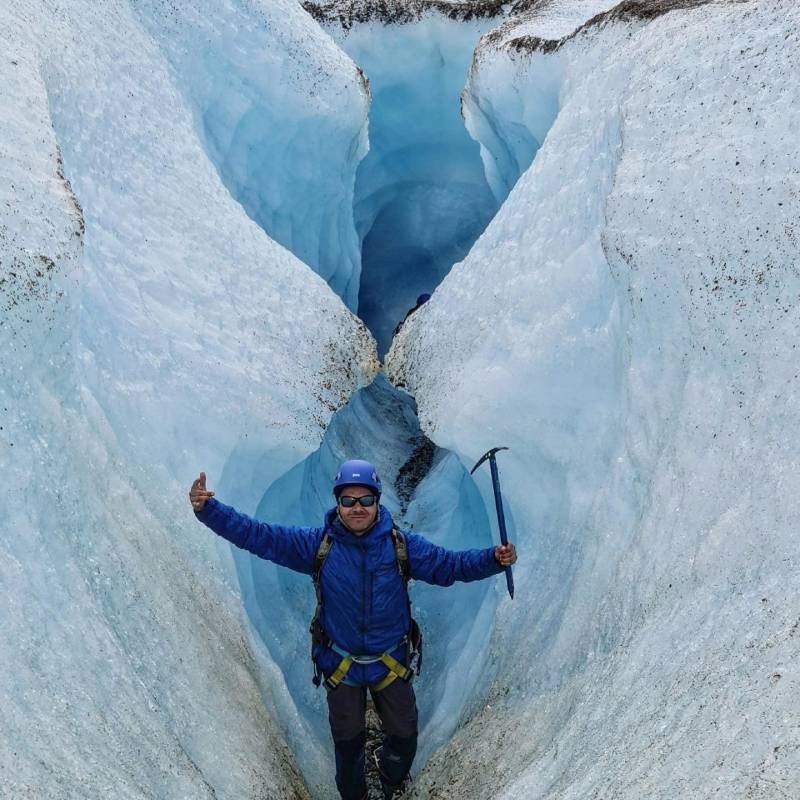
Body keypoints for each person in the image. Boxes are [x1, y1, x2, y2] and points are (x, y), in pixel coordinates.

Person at [189, 459, 517, 800]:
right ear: (337, 503)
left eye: (365, 500)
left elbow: (450, 566)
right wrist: (209, 511)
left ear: (378, 501)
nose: (357, 508)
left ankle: (392, 780)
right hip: (341, 664)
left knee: (404, 737)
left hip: (390, 661)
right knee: (347, 747)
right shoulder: (318, 545)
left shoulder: (401, 546)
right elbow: (260, 536)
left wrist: (493, 559)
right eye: (348, 501)